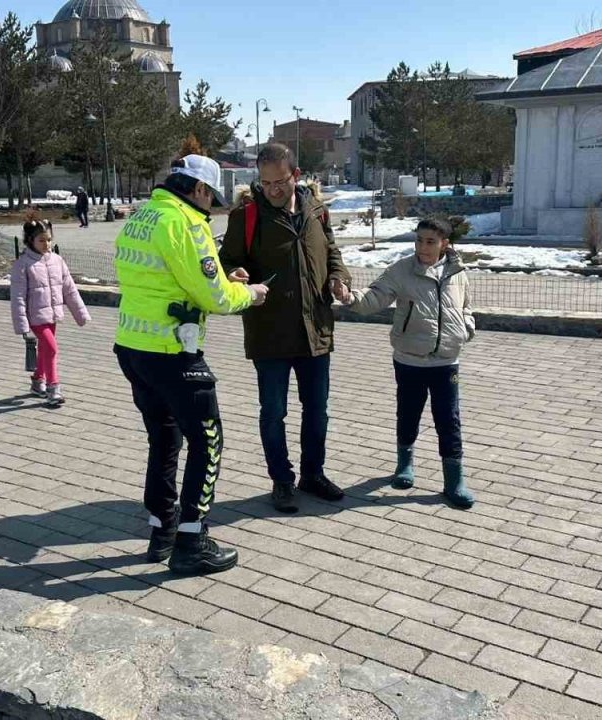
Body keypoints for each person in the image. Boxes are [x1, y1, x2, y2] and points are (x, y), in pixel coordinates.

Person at [113, 154, 269, 575]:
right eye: (210, 196)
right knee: (208, 441)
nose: (211, 205)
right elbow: (214, 298)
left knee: (164, 439)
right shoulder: (185, 223)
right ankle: (192, 541)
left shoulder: (143, 216)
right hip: (174, 352)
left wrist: (221, 278)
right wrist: (249, 294)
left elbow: (167, 278)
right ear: (199, 189)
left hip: (133, 346)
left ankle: (161, 530)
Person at [219, 143, 352, 514]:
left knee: (317, 410)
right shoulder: (246, 215)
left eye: (279, 182)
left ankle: (313, 474)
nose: (272, 190)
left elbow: (332, 254)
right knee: (273, 412)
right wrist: (234, 274)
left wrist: (339, 279)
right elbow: (226, 260)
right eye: (265, 183)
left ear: (296, 175)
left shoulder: (317, 210)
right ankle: (281, 480)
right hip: (270, 332)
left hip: (315, 330)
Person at [344, 217, 475, 509]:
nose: (422, 247)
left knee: (449, 420)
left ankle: (454, 481)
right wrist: (350, 298)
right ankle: (405, 465)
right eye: (419, 240)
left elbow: (465, 305)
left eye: (430, 242)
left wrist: (466, 328)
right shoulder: (401, 270)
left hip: (446, 361)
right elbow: (375, 296)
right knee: (408, 413)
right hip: (409, 360)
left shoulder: (457, 271)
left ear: (445, 244)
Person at [10, 210, 90, 408]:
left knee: (45, 349)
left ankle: (38, 381)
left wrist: (80, 313)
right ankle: (53, 389)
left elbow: (69, 289)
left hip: (52, 315)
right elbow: (18, 297)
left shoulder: (57, 260)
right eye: (41, 240)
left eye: (49, 239)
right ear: (30, 241)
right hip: (35, 317)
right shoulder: (22, 265)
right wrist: (22, 325)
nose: (46, 244)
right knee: (52, 348)